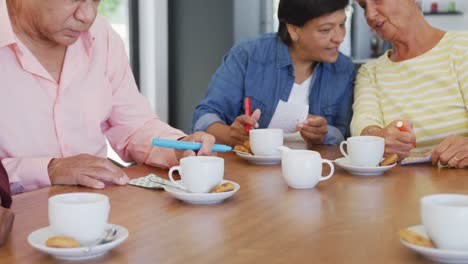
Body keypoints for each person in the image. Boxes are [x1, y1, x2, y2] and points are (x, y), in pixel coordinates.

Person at [0, 0, 215, 194]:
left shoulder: (101, 35)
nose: (87, 16)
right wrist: (49, 169)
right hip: (17, 219)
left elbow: (134, 127)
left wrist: (179, 147)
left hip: (99, 209)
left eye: (96, 0)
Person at [192, 0, 355, 148]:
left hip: (312, 171)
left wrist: (324, 134)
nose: (339, 38)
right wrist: (230, 134)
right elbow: (205, 116)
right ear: (294, 29)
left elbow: (344, 134)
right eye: (326, 30)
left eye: (342, 25)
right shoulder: (248, 55)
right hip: (247, 171)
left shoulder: (343, 69)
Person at [351, 0, 468, 168]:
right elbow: (363, 123)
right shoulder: (370, 72)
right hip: (398, 189)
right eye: (363, 7)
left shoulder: (463, 48)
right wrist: (376, 137)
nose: (369, 15)